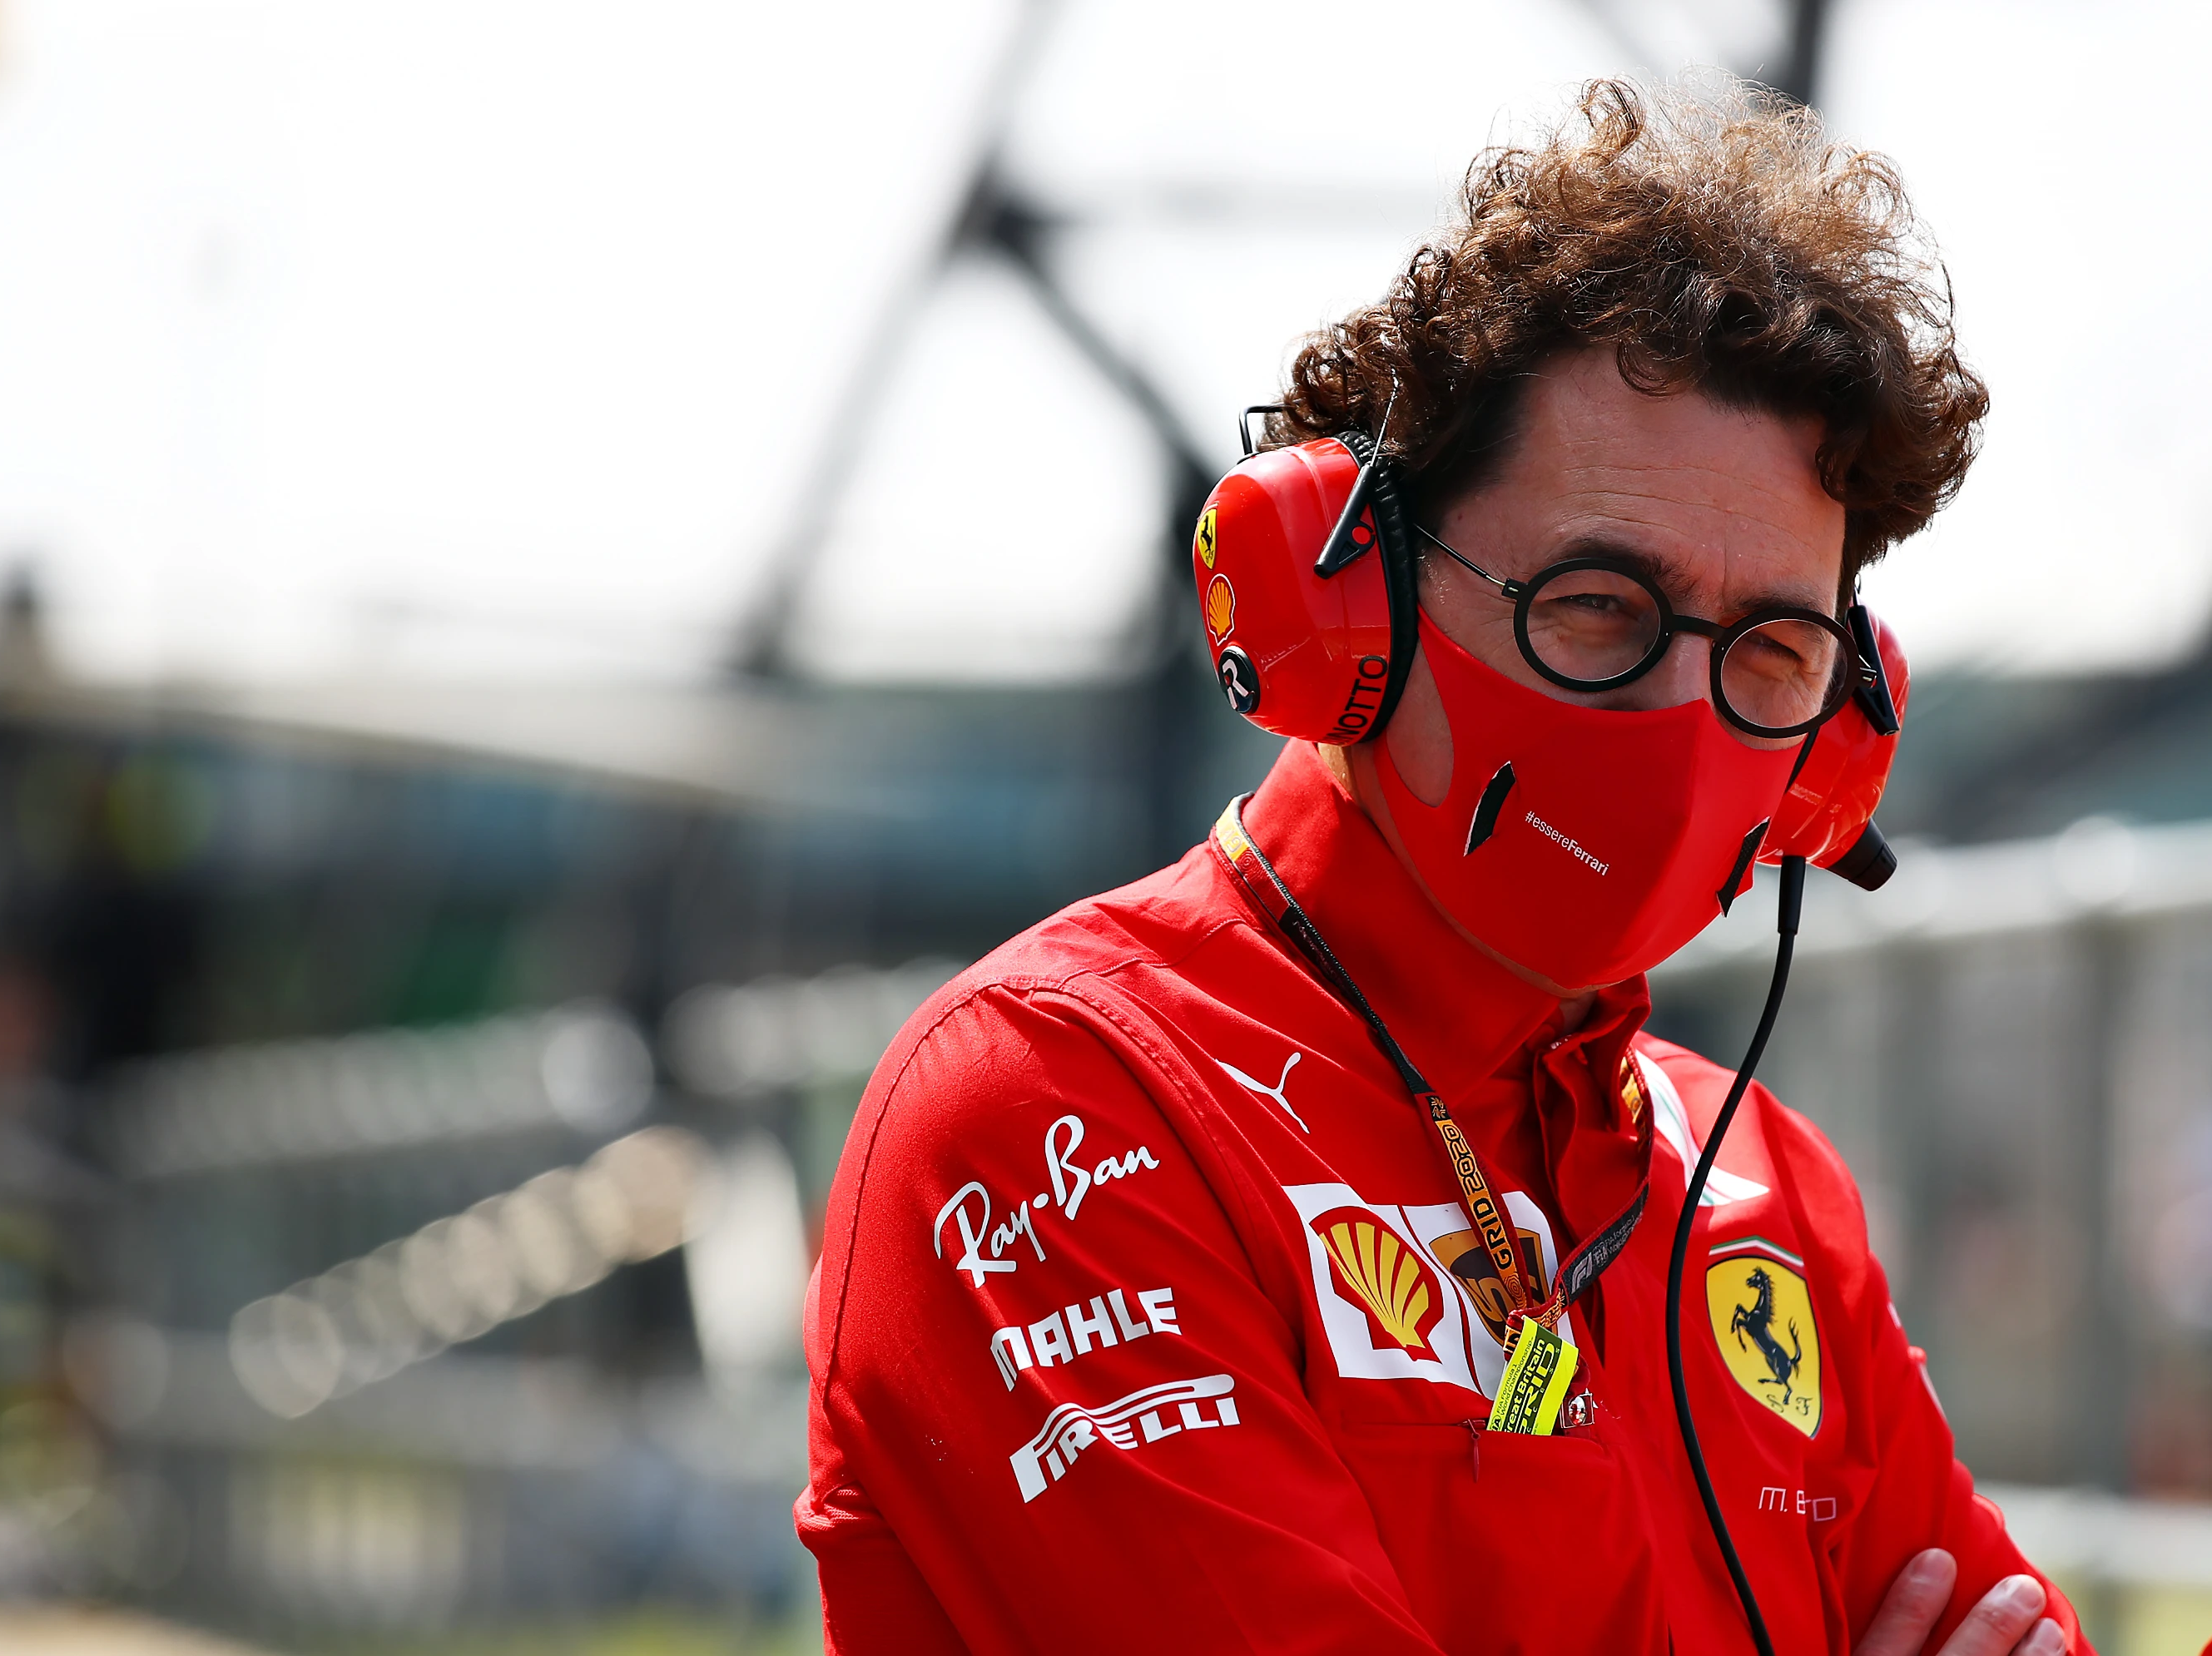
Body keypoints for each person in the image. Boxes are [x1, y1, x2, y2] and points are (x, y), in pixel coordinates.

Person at [796, 79, 2085, 1654]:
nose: (1686, 716)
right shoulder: (1055, 1109)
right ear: (1356, 606)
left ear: (1837, 744)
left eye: (1772, 650)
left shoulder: (1771, 1193)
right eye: (1600, 604)